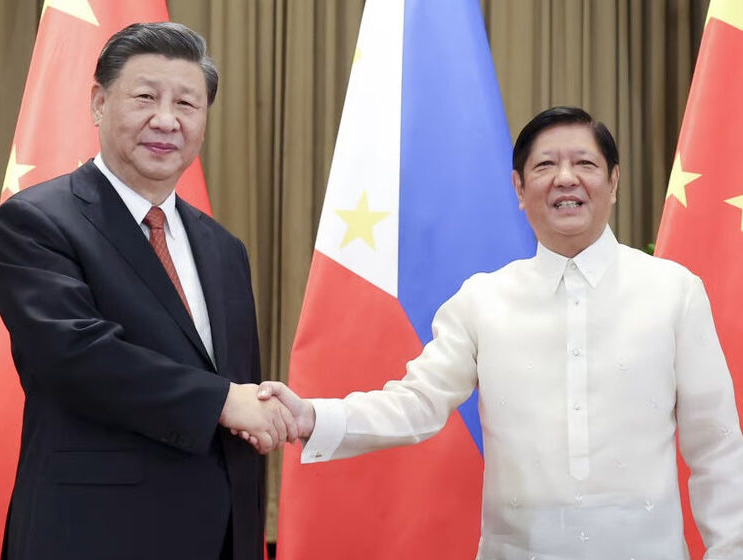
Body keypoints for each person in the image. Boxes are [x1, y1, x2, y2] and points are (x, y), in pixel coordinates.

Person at [256, 107, 743, 558]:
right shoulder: (482, 300)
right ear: (519, 188)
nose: (566, 178)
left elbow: (717, 447)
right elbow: (416, 403)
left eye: (585, 164)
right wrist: (311, 416)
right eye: (545, 165)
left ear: (613, 182)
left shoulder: (674, 291)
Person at [0, 22, 295, 560]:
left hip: (218, 535)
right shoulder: (37, 221)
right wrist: (225, 401)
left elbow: (235, 388)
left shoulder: (224, 248)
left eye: (187, 104)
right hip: (92, 534)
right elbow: (74, 356)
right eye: (146, 98)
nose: (166, 120)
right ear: (98, 103)